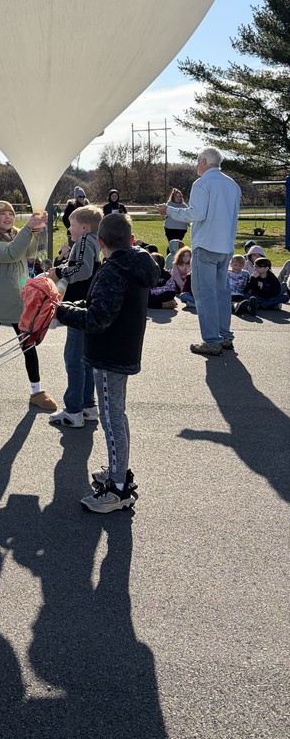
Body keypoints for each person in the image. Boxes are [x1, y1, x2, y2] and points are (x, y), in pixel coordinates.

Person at [56, 212, 160, 512]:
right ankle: (118, 473)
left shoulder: (113, 271)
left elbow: (98, 319)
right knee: (117, 415)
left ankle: (117, 489)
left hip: (109, 354)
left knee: (112, 420)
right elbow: (97, 306)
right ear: (131, 240)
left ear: (100, 242)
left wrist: (60, 313)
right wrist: (67, 306)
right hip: (123, 350)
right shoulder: (137, 264)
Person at [0, 200, 55, 415]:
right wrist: (28, 229)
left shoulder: (18, 233)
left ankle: (36, 391)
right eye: (2, 215)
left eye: (10, 213)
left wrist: (39, 230)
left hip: (20, 298)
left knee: (28, 345)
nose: (8, 217)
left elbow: (30, 253)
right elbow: (11, 254)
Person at [156, 148, 241, 357]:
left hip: (206, 244)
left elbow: (196, 213)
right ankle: (225, 335)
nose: (196, 165)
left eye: (197, 161)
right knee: (222, 292)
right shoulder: (233, 185)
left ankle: (212, 341)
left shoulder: (202, 183)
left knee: (204, 294)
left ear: (204, 161)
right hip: (226, 245)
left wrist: (169, 210)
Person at [47, 205, 102, 428]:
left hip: (78, 309)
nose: (69, 229)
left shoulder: (84, 241)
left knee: (74, 359)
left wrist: (58, 271)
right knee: (85, 359)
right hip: (87, 307)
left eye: (71, 225)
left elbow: (82, 268)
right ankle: (88, 405)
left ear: (84, 227)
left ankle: (73, 410)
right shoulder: (94, 241)